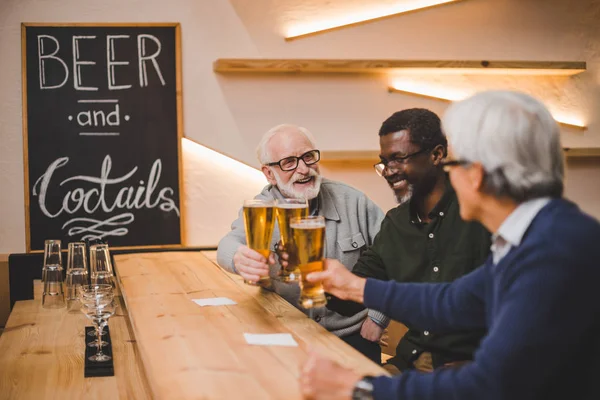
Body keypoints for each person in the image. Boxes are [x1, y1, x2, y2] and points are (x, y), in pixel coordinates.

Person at [299, 90, 600, 400]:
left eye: (455, 164)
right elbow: (452, 302)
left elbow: (490, 385)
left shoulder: (553, 252)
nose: (450, 176)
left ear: (476, 175)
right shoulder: (535, 235)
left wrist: (356, 387)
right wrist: (350, 286)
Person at [217, 124, 385, 363]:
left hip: (352, 337)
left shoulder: (352, 200)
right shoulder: (262, 211)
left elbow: (397, 257)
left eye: (308, 157)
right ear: (269, 173)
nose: (303, 169)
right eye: (289, 162)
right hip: (288, 335)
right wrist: (238, 258)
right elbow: (228, 243)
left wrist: (379, 317)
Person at [350, 108, 490, 374]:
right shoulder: (395, 223)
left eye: (398, 159)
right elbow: (353, 289)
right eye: (385, 162)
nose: (389, 172)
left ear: (437, 155)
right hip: (410, 362)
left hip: (473, 368)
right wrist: (294, 271)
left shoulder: (481, 212)